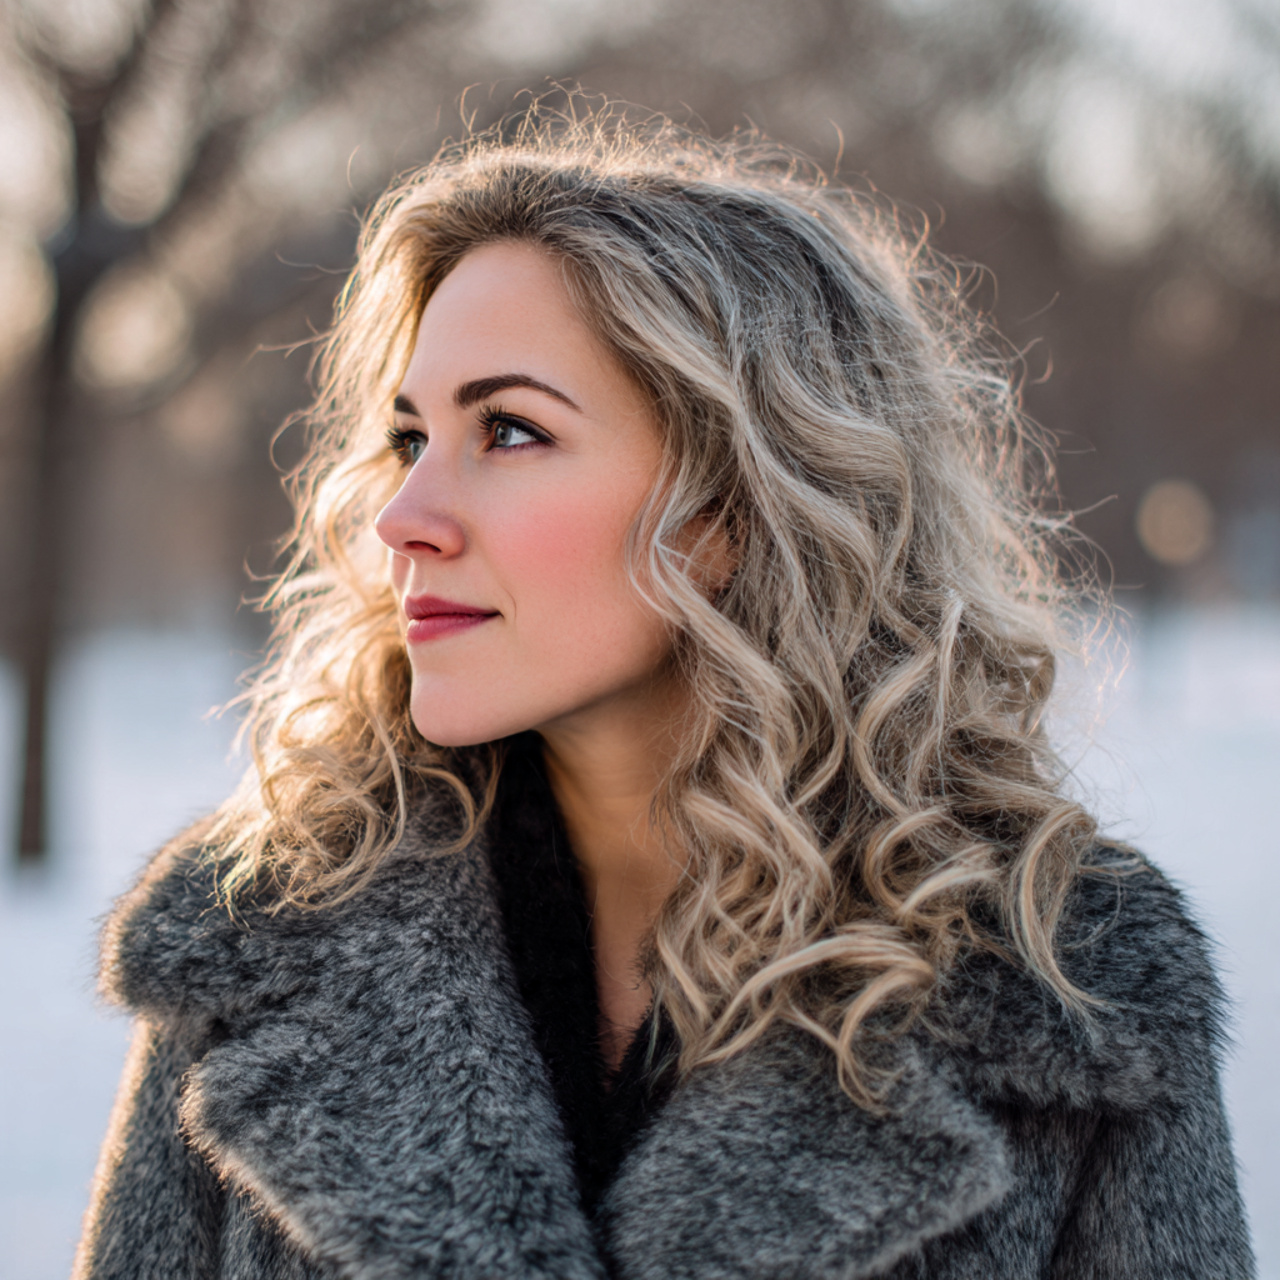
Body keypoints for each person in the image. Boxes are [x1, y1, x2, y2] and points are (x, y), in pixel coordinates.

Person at [73, 108, 1254, 1280]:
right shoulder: (260, 937)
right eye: (407, 436)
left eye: (509, 429)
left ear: (740, 504)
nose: (403, 519)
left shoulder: (1066, 985)